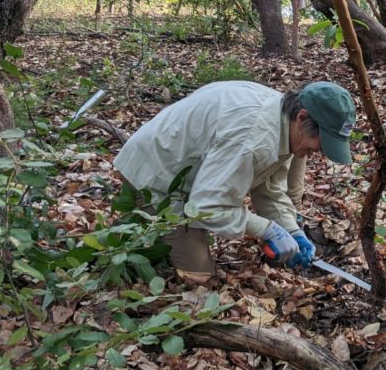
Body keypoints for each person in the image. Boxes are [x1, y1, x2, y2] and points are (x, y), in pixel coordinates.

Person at [114, 80, 355, 280]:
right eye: (320, 144)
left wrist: (292, 230)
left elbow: (270, 191)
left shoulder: (284, 120)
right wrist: (268, 230)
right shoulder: (252, 139)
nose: (320, 153)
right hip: (154, 175)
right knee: (198, 277)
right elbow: (207, 207)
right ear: (302, 118)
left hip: (190, 174)